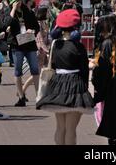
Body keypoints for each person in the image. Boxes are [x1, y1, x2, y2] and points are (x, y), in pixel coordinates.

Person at [36, 9, 93, 145]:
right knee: (71, 129)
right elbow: (84, 71)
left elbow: (54, 66)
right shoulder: (79, 47)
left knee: (60, 128)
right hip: (75, 85)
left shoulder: (55, 45)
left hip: (57, 85)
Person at [91, 13, 116, 145]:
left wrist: (98, 88)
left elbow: (101, 70)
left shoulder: (106, 44)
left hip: (111, 89)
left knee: (113, 128)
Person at [3, 0, 40, 106]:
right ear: (12, 2)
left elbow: (36, 26)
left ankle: (39, 97)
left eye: (20, 0)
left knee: (35, 69)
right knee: (18, 71)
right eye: (16, 1)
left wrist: (32, 31)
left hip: (29, 43)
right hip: (17, 45)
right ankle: (21, 97)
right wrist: (13, 10)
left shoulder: (27, 11)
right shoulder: (8, 12)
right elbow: (6, 24)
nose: (19, 2)